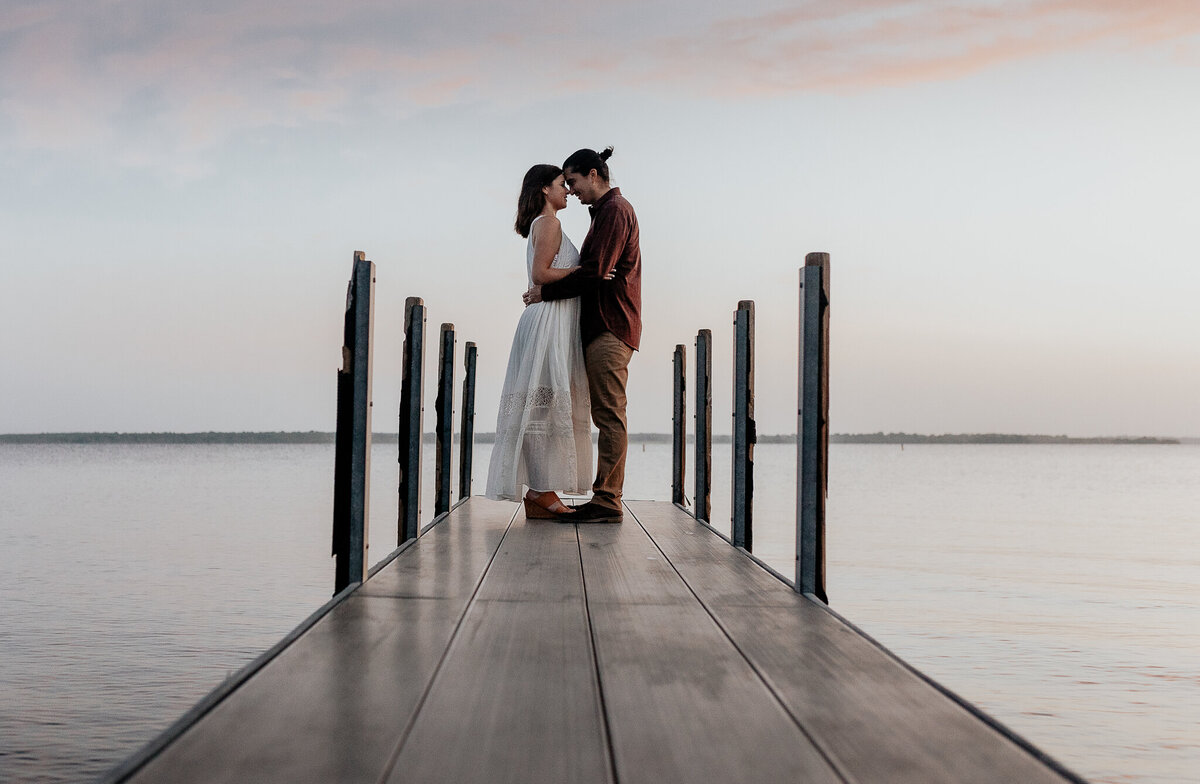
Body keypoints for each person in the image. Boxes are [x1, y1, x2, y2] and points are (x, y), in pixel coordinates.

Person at [523, 147, 641, 524]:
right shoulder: (603, 214)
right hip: (599, 324)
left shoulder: (614, 211)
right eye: (565, 184)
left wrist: (545, 292)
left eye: (572, 181)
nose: (571, 190)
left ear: (593, 174)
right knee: (601, 411)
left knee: (609, 412)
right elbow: (592, 271)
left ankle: (607, 499)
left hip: (611, 323)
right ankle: (591, 494)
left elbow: (594, 272)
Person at [484, 164, 593, 518]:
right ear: (545, 189)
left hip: (551, 319)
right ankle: (540, 492)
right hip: (548, 322)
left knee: (544, 406)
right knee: (544, 407)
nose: (567, 191)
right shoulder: (548, 223)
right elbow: (541, 274)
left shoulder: (545, 224)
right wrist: (584, 271)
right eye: (562, 184)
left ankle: (540, 491)